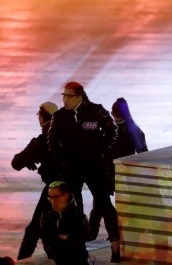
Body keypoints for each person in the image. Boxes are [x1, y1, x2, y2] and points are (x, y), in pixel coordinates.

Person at [47, 82, 121, 262]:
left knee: (105, 205)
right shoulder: (60, 116)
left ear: (79, 96)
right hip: (72, 169)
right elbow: (51, 140)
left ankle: (115, 245)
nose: (64, 99)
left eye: (69, 96)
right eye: (63, 95)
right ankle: (78, 248)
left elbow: (113, 131)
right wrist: (61, 161)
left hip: (94, 167)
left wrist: (102, 153)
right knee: (75, 208)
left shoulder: (95, 111)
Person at [87, 97, 148, 242]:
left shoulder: (108, 129)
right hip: (125, 174)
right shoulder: (135, 130)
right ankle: (119, 234)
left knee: (100, 205)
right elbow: (143, 153)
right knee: (123, 208)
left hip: (107, 172)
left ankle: (96, 232)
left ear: (113, 113)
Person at [11, 102, 60, 260]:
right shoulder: (68, 134)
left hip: (53, 188)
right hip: (73, 187)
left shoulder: (42, 140)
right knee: (52, 225)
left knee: (35, 226)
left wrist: (28, 160)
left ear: (42, 117)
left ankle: (23, 259)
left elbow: (16, 163)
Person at [40, 181, 90, 265]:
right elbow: (46, 241)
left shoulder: (78, 217)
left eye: (56, 197)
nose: (53, 201)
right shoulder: (47, 217)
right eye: (50, 197)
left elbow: (77, 241)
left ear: (66, 195)